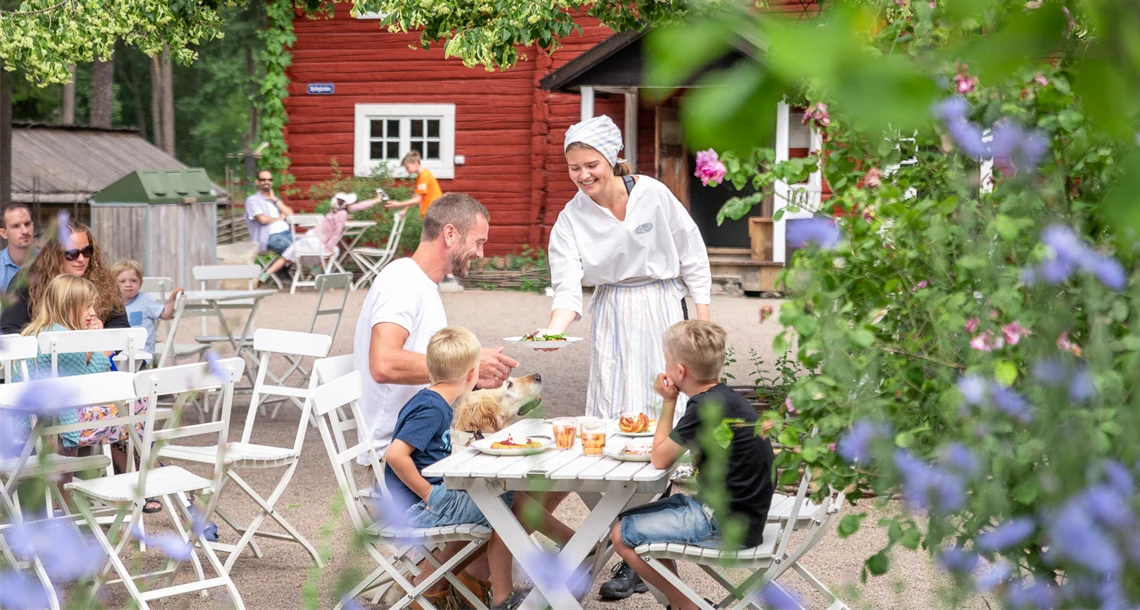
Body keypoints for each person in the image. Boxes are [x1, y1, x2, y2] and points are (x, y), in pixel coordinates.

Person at [384, 327, 574, 610]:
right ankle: (569, 548)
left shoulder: (434, 400)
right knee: (506, 501)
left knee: (507, 496)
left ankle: (566, 549)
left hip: (437, 496)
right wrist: (428, 495)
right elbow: (395, 455)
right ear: (473, 375)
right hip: (424, 505)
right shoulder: (433, 408)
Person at [539, 114, 713, 423]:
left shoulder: (652, 194)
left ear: (610, 159)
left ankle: (672, 466)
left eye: (591, 165)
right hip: (613, 309)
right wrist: (554, 332)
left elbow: (693, 254)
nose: (583, 175)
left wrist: (703, 324)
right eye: (574, 168)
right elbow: (566, 285)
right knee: (614, 396)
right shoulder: (571, 218)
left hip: (661, 305)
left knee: (668, 389)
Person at [608, 320, 775, 609]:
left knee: (621, 533)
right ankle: (683, 603)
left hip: (726, 524)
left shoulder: (704, 406)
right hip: (740, 513)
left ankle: (688, 606)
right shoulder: (725, 398)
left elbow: (659, 459)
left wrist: (668, 401)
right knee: (631, 520)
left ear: (680, 371)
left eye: (667, 362)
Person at [352, 192, 518, 462]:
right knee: (530, 478)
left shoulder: (423, 284)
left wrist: (472, 379)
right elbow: (383, 364)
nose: (480, 253)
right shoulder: (402, 280)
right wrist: (468, 363)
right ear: (450, 234)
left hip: (424, 441)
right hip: (399, 455)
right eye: (478, 242)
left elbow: (434, 376)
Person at [14, 275, 138, 507]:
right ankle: (127, 485)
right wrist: (104, 351)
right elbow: (85, 388)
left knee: (127, 413)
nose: (92, 312)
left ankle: (64, 504)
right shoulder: (64, 340)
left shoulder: (36, 331)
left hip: (28, 427)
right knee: (135, 410)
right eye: (87, 306)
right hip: (55, 429)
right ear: (68, 306)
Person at [0, 222, 128, 335]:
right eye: (72, 253)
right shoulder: (28, 281)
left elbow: (121, 328)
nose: (81, 259)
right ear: (54, 254)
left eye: (87, 251)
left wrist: (99, 338)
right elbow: (9, 329)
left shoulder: (104, 279)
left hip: (97, 356)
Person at [260, 190, 388, 279]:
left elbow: (358, 206)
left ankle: (264, 275)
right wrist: (329, 248)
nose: (352, 205)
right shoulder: (342, 214)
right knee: (335, 251)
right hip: (318, 243)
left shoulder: (334, 211)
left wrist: (376, 200)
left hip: (308, 237)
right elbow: (336, 234)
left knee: (288, 254)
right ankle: (316, 271)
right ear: (345, 205)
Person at [389, 150, 462, 291]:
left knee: (436, 246)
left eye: (407, 166)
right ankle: (444, 277)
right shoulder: (421, 176)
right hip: (433, 217)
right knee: (435, 246)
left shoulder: (424, 176)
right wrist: (405, 210)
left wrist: (397, 204)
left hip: (436, 217)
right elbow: (418, 196)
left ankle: (447, 277)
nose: (407, 170)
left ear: (416, 163)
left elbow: (417, 199)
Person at [110, 259, 183, 357]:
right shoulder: (112, 305)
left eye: (134, 281)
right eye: (122, 281)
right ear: (113, 284)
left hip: (141, 353)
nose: (128, 285)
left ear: (141, 283)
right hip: (118, 352)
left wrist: (173, 298)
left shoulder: (145, 300)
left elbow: (165, 314)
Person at [244, 169, 295, 284]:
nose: (266, 182)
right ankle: (278, 270)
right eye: (263, 180)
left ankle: (280, 269)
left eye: (269, 180)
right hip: (269, 237)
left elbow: (290, 214)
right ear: (257, 182)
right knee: (293, 248)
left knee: (306, 244)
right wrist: (279, 218)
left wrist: (275, 200)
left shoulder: (275, 200)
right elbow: (262, 219)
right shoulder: (253, 200)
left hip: (287, 233)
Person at [0, 203, 35, 293]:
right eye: (16, 226)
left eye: (27, 224)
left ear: (33, 226)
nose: (25, 231)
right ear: (3, 233)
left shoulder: (50, 262)